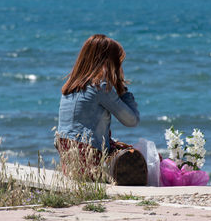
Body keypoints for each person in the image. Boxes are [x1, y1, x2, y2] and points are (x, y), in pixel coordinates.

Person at [55, 34, 147, 185]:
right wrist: (123, 90)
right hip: (88, 161)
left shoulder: (70, 87)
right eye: (117, 62)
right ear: (108, 62)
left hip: (69, 161)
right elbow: (132, 120)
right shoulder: (100, 87)